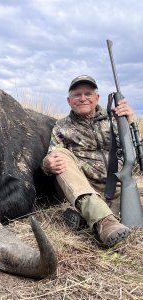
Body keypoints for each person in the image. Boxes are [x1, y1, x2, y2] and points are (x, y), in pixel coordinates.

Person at [42, 75, 135, 247]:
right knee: (60, 154)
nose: (83, 98)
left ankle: (85, 216)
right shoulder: (61, 126)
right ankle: (105, 222)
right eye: (77, 95)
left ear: (97, 98)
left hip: (121, 185)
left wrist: (130, 124)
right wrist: (48, 163)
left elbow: (136, 152)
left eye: (88, 93)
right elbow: (52, 156)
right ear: (69, 101)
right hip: (85, 188)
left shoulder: (116, 120)